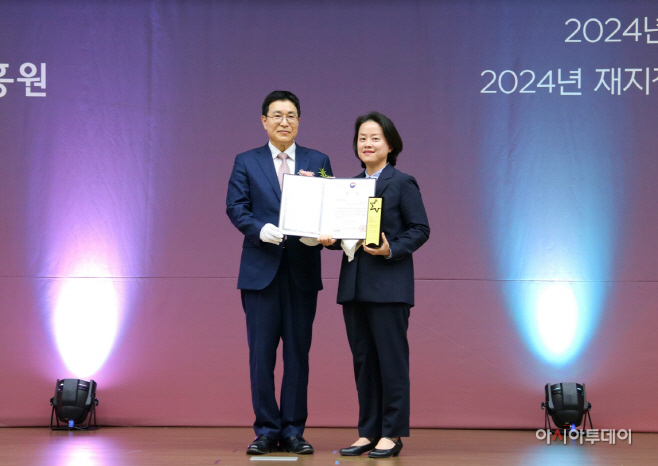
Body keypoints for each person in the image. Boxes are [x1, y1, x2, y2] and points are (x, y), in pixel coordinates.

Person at [226, 90, 333, 455]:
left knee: (298, 356)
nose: (284, 122)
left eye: (291, 115)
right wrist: (258, 229)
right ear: (264, 121)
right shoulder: (246, 161)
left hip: (302, 271)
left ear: (299, 121)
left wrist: (318, 236)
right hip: (260, 272)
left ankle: (293, 431)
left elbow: (328, 209)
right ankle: (266, 430)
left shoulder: (318, 160)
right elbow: (236, 207)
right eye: (277, 115)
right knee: (261, 355)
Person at [318, 111, 430, 458]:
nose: (367, 144)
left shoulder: (402, 182)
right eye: (362, 138)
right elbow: (346, 235)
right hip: (354, 287)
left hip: (389, 287)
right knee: (364, 361)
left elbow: (420, 229)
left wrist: (390, 249)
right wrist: (328, 239)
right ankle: (367, 431)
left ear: (390, 144)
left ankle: (392, 433)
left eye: (375, 138)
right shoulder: (348, 186)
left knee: (390, 361)